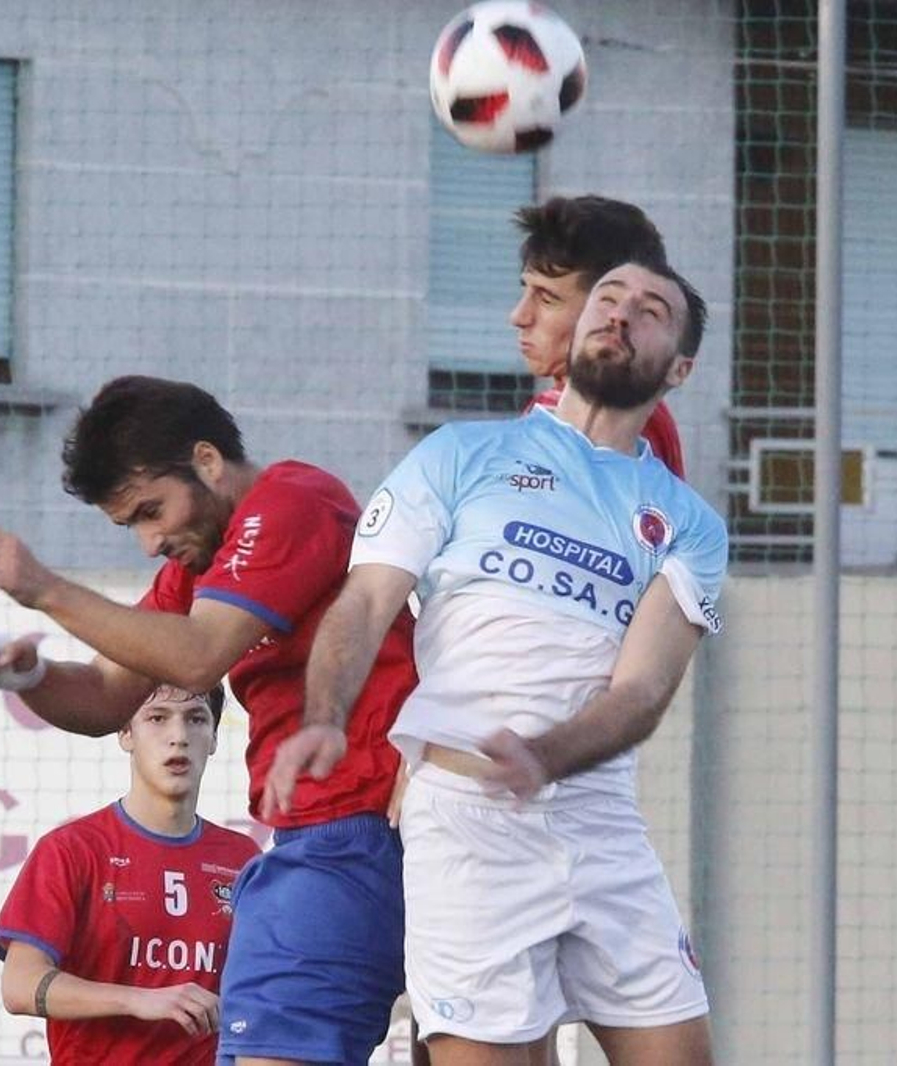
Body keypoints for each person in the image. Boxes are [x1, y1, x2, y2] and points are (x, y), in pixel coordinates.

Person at [266, 261, 725, 1065]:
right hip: (465, 821)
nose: (621, 314)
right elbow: (365, 601)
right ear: (577, 328)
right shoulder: (459, 454)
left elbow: (645, 689)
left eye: (651, 310)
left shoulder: (688, 523)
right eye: (608, 298)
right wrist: (327, 716)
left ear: (679, 368)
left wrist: (544, 757)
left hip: (599, 820)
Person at [0, 375, 416, 1065]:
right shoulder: (202, 566)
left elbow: (198, 656)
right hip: (317, 838)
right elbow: (107, 696)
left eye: (151, 511)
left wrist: (47, 589)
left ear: (207, 461)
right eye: (131, 526)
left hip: (358, 832)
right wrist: (28, 676)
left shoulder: (292, 500)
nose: (149, 542)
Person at [0, 684, 260, 1065]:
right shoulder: (72, 849)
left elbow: (263, 992)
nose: (179, 736)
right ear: (125, 733)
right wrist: (139, 1000)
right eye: (158, 718)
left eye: (196, 719)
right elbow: (19, 986)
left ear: (214, 737)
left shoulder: (243, 858)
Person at [510, 195, 688, 479]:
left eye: (547, 298)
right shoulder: (645, 409)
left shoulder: (608, 416)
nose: (519, 316)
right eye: (526, 290)